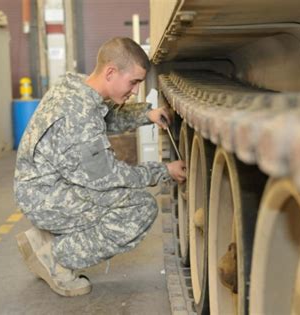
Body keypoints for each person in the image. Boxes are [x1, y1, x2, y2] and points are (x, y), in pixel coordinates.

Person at [13, 37, 186, 297]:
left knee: (126, 198)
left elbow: (104, 115)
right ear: (110, 72)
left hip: (44, 183)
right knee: (138, 209)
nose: (136, 90)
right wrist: (164, 170)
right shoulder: (78, 115)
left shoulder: (76, 86)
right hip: (45, 196)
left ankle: (48, 239)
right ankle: (56, 259)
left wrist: (146, 114)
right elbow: (107, 177)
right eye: (134, 82)